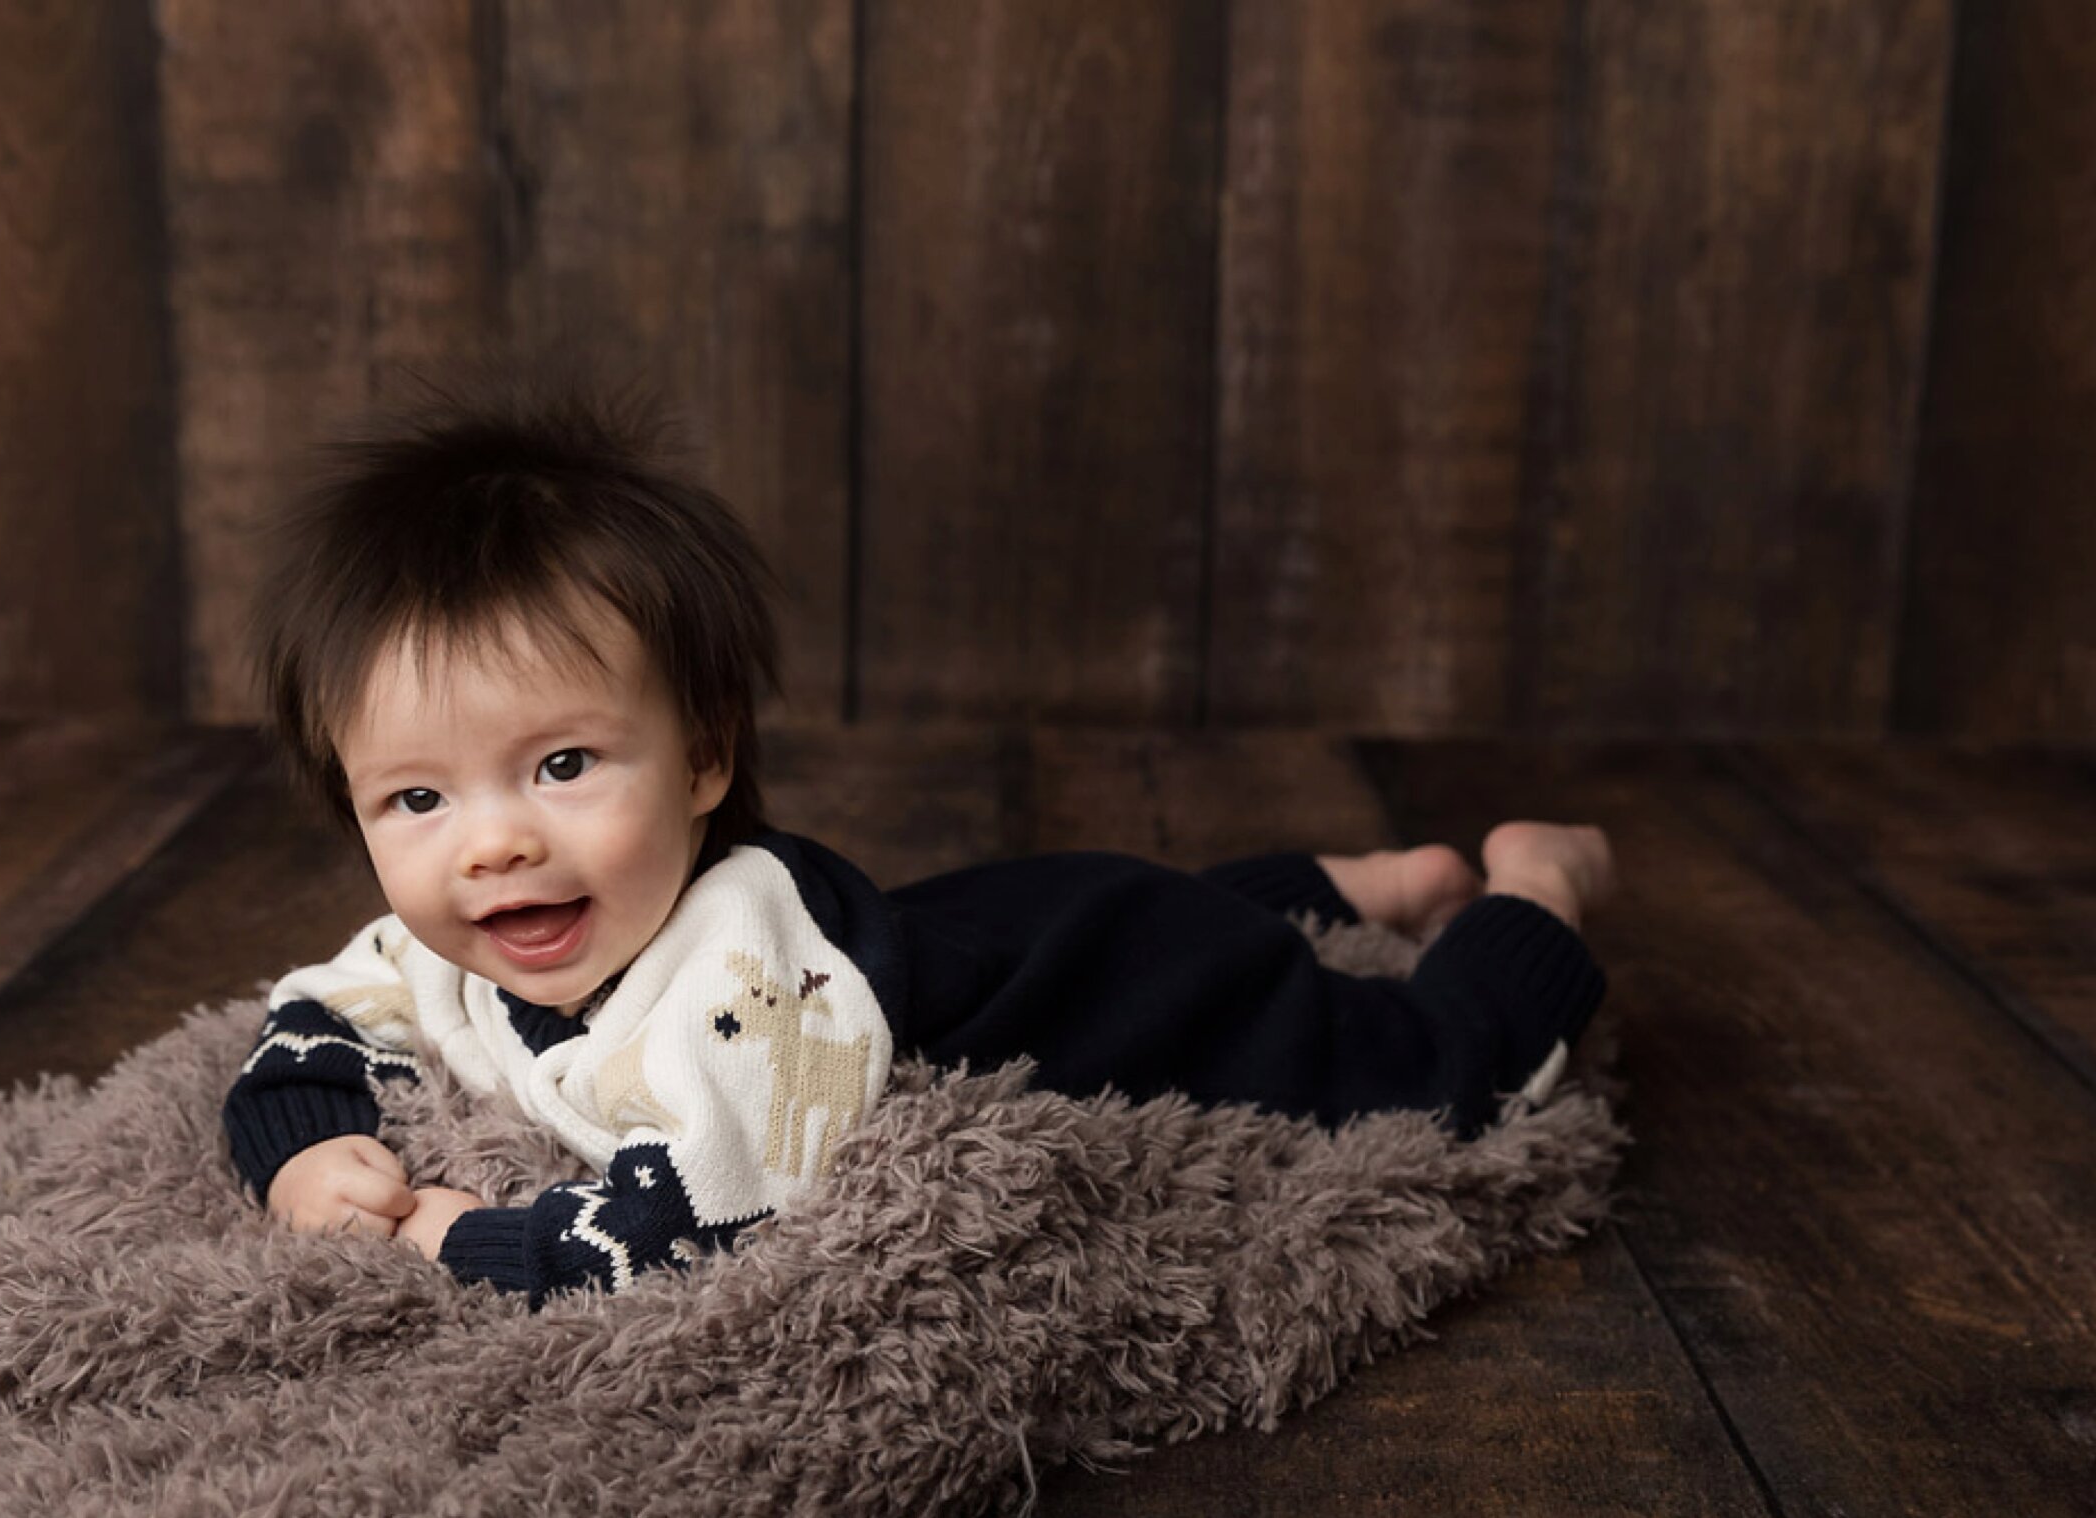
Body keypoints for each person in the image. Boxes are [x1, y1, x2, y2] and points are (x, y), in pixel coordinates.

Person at [223, 385, 1617, 1308]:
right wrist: (304, 1145)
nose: (492, 845)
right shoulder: (453, 930)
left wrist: (457, 1235)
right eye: (417, 800)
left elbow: (708, 1217)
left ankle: (1534, 890)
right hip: (992, 921)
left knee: (1425, 1072)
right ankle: (1355, 880)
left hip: (1124, 978)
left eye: (566, 764)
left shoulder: (743, 985)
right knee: (1053, 909)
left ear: (707, 753)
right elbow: (316, 1017)